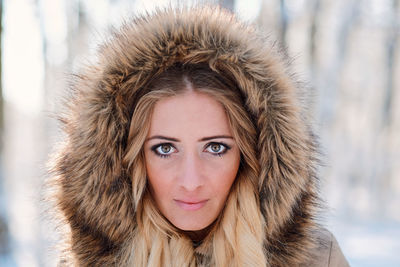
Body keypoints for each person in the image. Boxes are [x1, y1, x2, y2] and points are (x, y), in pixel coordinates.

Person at [48, 5, 349, 267]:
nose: (191, 181)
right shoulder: (81, 261)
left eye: (216, 147)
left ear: (250, 155)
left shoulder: (319, 259)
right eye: (165, 149)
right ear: (130, 159)